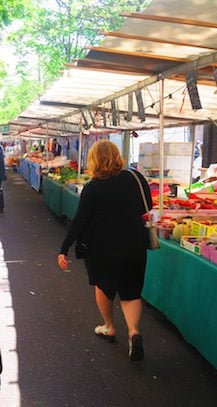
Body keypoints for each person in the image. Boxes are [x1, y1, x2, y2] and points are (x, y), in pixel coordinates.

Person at [57, 139, 152, 362]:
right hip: (134, 244)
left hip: (102, 249)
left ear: (94, 160)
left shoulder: (92, 188)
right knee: (131, 292)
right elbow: (147, 205)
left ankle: (109, 326)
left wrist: (64, 249)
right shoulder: (135, 178)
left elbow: (79, 221)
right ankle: (134, 331)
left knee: (104, 285)